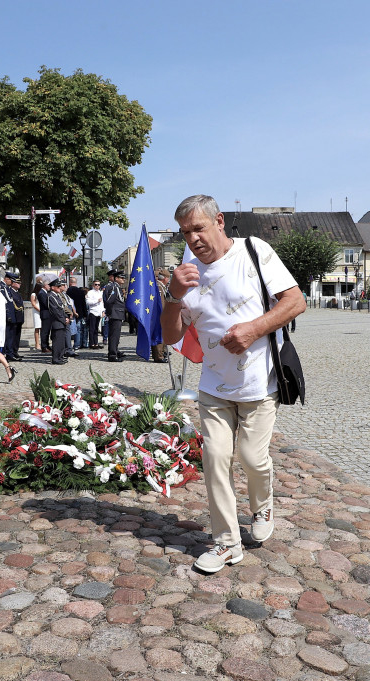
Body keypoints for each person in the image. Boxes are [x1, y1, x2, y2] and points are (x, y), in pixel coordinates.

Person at [161, 195, 305, 574]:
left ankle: (263, 505)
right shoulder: (185, 273)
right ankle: (226, 542)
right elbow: (169, 334)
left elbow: (295, 301)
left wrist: (253, 329)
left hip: (260, 382)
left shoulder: (254, 251)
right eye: (185, 232)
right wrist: (173, 298)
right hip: (214, 386)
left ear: (219, 221)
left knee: (252, 458)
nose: (192, 238)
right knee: (214, 460)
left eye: (198, 228)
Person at [47, 278, 72, 365]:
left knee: (61, 341)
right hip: (56, 322)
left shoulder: (57, 296)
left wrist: (66, 317)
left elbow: (62, 309)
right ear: (53, 287)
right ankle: (56, 358)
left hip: (61, 321)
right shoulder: (51, 296)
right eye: (58, 286)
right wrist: (63, 320)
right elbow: (55, 311)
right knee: (57, 341)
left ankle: (60, 357)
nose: (59, 288)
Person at [104, 269, 126, 361]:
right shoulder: (114, 287)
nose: (123, 280)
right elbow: (109, 301)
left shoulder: (117, 287)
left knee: (116, 335)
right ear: (116, 278)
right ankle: (112, 355)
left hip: (118, 313)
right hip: (115, 313)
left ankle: (115, 351)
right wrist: (109, 313)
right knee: (114, 335)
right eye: (121, 278)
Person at [86, 278, 104, 349]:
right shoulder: (90, 292)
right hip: (93, 312)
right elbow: (88, 302)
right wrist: (97, 300)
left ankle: (96, 343)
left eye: (98, 285)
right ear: (93, 285)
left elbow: (102, 303)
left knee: (96, 328)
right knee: (92, 328)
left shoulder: (100, 293)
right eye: (96, 284)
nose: (97, 286)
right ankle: (92, 343)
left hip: (99, 312)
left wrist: (103, 311)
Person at [36, 275, 52, 353]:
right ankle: (44, 346)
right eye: (49, 285)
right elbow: (46, 304)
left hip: (48, 314)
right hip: (45, 314)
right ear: (45, 285)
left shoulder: (46, 292)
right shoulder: (42, 293)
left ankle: (47, 345)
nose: (50, 287)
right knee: (45, 331)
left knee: (47, 331)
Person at [30, 277, 43, 351]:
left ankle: (42, 342)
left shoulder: (42, 294)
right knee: (37, 327)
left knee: (42, 328)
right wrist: (39, 310)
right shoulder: (34, 294)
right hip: (37, 311)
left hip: (41, 310)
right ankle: (37, 343)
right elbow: (33, 303)